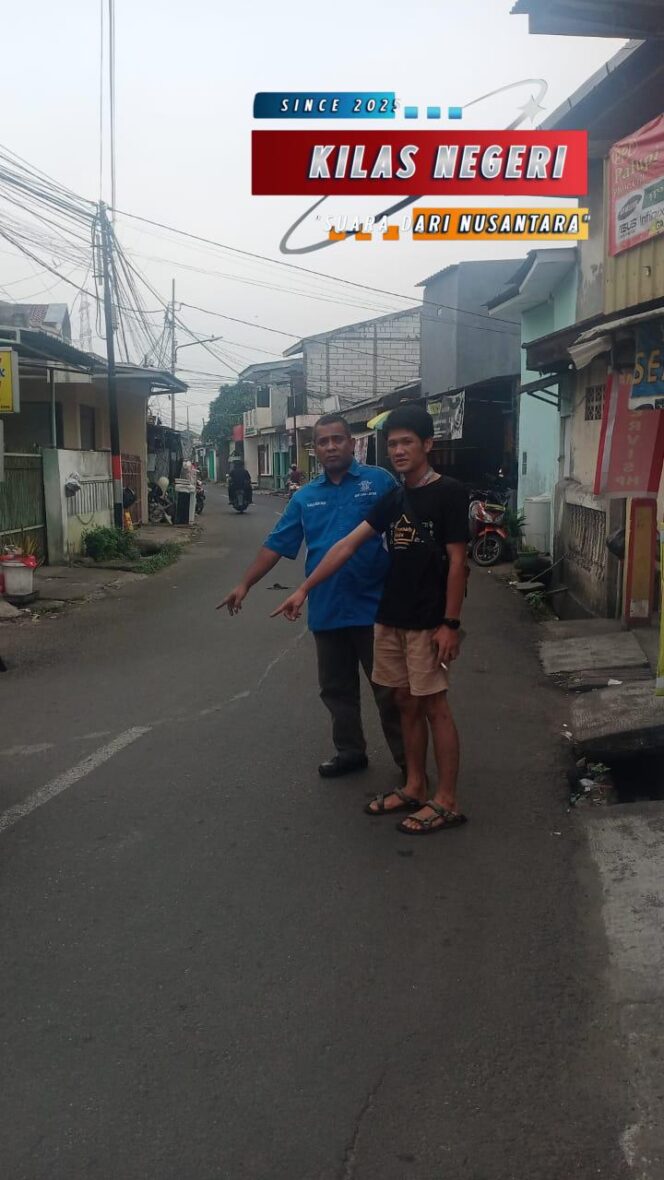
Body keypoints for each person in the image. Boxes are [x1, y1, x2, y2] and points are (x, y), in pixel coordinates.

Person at [272, 403, 469, 836]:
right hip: (389, 617)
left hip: (426, 620)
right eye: (393, 443)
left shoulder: (449, 493)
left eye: (407, 442)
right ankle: (415, 785)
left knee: (435, 705)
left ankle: (447, 800)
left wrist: (450, 623)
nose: (398, 450)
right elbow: (344, 547)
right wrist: (304, 589)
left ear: (427, 445)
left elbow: (458, 563)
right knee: (403, 703)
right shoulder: (394, 497)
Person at [218, 413, 405, 778]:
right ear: (315, 449)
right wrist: (245, 584)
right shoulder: (305, 497)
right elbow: (276, 545)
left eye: (338, 439)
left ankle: (408, 764)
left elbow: (408, 530)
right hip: (327, 608)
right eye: (324, 441)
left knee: (390, 692)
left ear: (352, 443)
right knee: (336, 690)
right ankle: (350, 751)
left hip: (377, 608)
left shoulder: (379, 482)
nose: (332, 446)